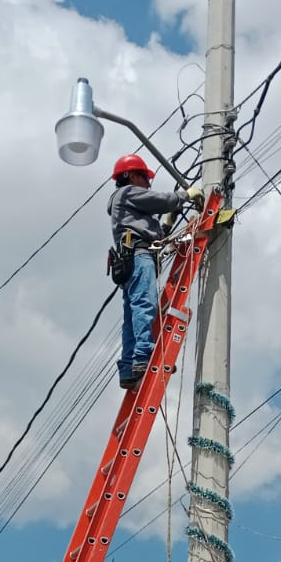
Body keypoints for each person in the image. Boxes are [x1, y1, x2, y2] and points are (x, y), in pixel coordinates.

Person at [108, 154, 203, 390]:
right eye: (144, 177)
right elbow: (160, 200)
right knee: (144, 304)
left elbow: (150, 231)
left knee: (132, 315)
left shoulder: (126, 205)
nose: (148, 183)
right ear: (131, 175)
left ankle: (129, 368)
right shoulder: (128, 193)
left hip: (130, 259)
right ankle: (144, 355)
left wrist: (167, 225)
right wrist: (185, 196)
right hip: (138, 257)